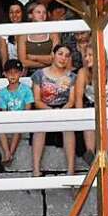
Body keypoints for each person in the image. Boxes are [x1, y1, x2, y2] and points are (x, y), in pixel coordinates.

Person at [30, 43, 77, 177]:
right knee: (40, 125)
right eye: (60, 54)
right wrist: (50, 110)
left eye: (67, 56)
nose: (63, 58)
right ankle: (36, 169)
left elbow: (71, 101)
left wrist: (61, 111)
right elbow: (37, 100)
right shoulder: (39, 74)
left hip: (65, 108)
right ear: (53, 55)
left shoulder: (72, 77)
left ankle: (71, 170)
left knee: (68, 127)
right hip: (44, 108)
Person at [74, 44, 108, 163]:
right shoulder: (83, 72)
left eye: (90, 55)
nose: (87, 58)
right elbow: (78, 98)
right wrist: (81, 117)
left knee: (106, 121)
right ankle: (90, 153)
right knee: (90, 120)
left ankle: (104, 155)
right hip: (91, 106)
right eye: (85, 55)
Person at [0, 58, 34, 165]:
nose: (12, 75)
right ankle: (7, 153)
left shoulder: (26, 89)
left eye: (16, 72)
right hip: (8, 118)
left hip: (22, 118)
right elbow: (3, 111)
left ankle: (9, 154)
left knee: (18, 129)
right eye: (9, 73)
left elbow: (28, 107)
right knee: (0, 130)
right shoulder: (2, 92)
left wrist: (21, 118)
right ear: (4, 74)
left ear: (21, 73)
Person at [18, 1, 60, 73]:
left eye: (44, 12)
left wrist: (32, 57)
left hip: (51, 73)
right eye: (38, 12)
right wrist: (46, 63)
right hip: (29, 74)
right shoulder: (23, 36)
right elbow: (23, 62)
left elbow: (55, 58)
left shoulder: (53, 34)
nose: (42, 15)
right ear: (30, 15)